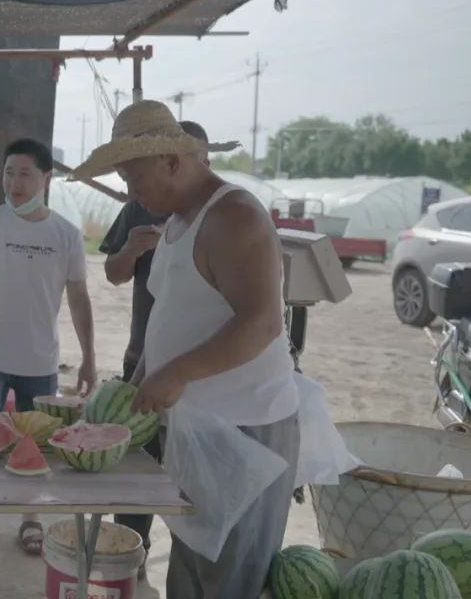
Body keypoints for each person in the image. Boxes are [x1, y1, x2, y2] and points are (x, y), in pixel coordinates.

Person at [73, 100, 300, 597]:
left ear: (171, 162)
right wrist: (138, 381)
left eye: (133, 179)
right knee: (193, 568)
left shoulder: (234, 215)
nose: (129, 192)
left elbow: (261, 323)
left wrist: (176, 374)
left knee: (230, 575)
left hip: (247, 429)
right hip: (198, 429)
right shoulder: (175, 221)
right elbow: (173, 313)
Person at [0, 138, 96, 578]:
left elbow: (80, 299)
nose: (15, 182)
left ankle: (31, 521)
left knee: (36, 451)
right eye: (9, 172)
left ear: (47, 178)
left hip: (40, 364)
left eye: (25, 173)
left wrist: (88, 357)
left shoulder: (65, 234)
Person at [99, 120, 210, 579]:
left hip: (198, 383)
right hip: (142, 365)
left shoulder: (223, 213)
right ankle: (131, 561)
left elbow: (259, 321)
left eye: (202, 161)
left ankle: (184, 567)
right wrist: (131, 249)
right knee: (134, 481)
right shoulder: (139, 210)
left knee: (195, 499)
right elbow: (113, 272)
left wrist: (182, 373)